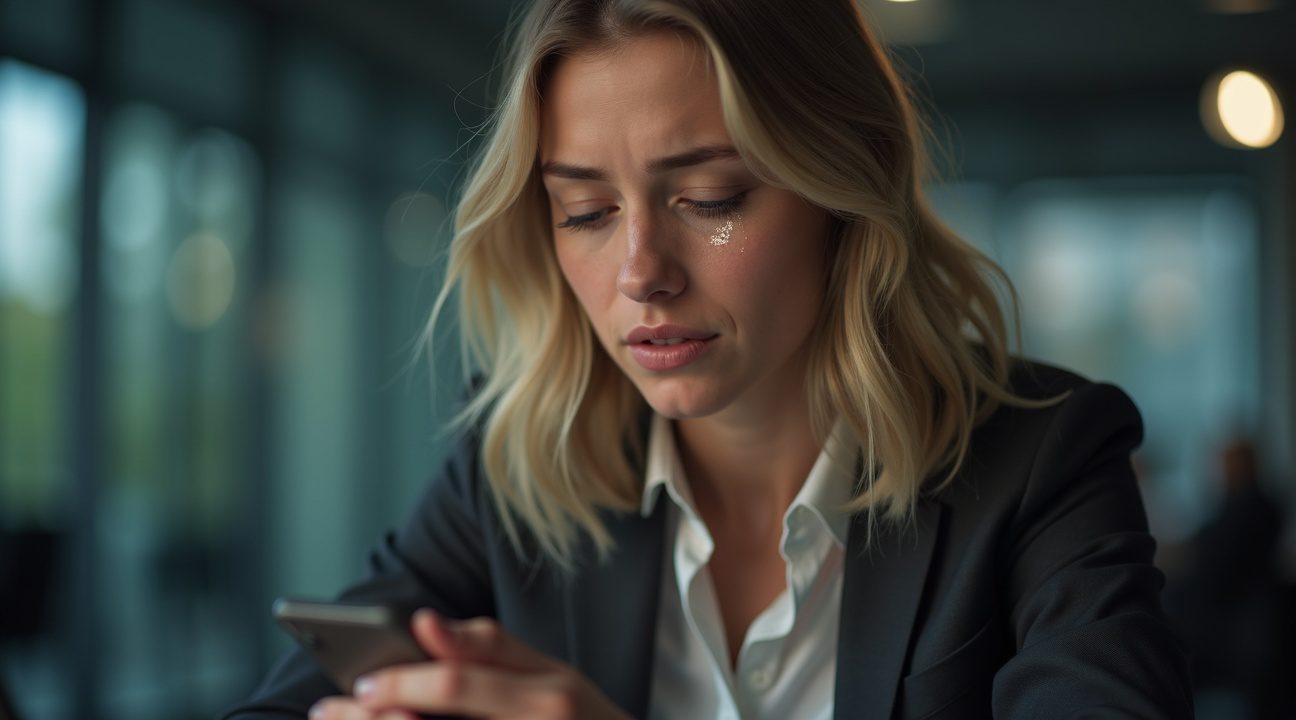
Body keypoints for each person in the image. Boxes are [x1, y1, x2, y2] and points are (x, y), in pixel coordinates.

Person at [223, 0, 1193, 717]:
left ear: (841, 190)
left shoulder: (1045, 458)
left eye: (711, 200)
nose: (640, 273)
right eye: (586, 212)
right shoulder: (516, 462)